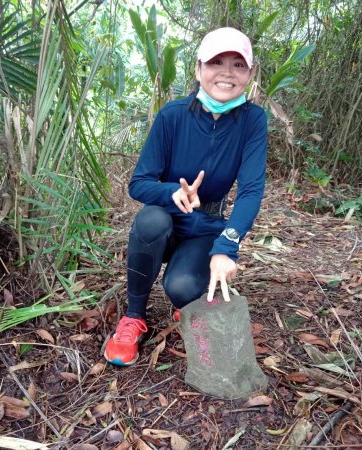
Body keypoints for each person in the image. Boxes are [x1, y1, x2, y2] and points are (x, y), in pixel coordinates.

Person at [104, 27, 268, 366]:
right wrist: (172, 192)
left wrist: (227, 245)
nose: (226, 72)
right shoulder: (173, 115)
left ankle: (188, 298)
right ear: (198, 70)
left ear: (250, 74)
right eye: (216, 62)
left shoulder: (253, 120)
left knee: (181, 286)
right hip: (165, 220)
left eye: (238, 65)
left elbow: (251, 190)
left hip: (206, 226)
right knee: (150, 220)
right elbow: (139, 183)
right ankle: (134, 317)